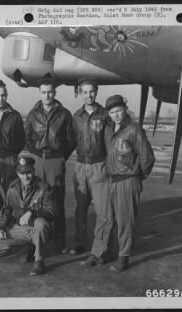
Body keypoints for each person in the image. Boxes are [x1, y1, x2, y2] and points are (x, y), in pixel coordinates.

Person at [103, 95, 155, 272]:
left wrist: (138, 176)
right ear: (108, 114)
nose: (116, 115)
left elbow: (147, 156)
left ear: (125, 109)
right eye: (112, 112)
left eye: (118, 110)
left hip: (128, 180)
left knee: (126, 220)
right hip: (112, 179)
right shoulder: (109, 129)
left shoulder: (134, 129)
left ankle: (123, 257)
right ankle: (110, 251)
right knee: (111, 218)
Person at [25, 78, 76, 254]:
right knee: (35, 199)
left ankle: (59, 242)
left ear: (55, 92)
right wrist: (35, 155)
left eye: (50, 91)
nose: (47, 95)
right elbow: (28, 138)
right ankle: (35, 242)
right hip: (38, 160)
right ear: (40, 92)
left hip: (56, 161)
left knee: (56, 199)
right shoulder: (33, 114)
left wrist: (61, 157)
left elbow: (71, 140)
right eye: (44, 92)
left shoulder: (64, 114)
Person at [0, 156, 57, 276]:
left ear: (34, 171)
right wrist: (1, 228)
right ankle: (26, 250)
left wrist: (32, 212)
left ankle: (39, 260)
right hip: (19, 228)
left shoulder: (44, 187)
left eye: (29, 172)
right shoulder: (12, 187)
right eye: (22, 173)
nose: (26, 177)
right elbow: (7, 210)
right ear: (17, 173)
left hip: (37, 229)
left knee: (40, 223)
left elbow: (52, 211)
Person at [69, 78, 111, 265]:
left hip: (99, 164)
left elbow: (111, 143)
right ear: (79, 93)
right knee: (80, 208)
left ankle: (100, 249)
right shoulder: (76, 116)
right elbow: (70, 141)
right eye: (85, 92)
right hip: (80, 165)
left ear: (97, 91)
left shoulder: (105, 116)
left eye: (91, 91)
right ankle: (79, 242)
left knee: (103, 210)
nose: (89, 95)